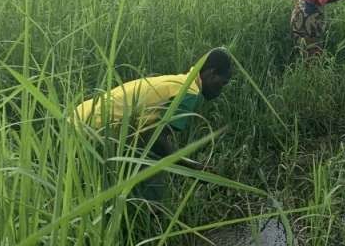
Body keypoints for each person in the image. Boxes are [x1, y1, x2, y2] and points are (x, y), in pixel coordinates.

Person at [72, 48, 232, 183]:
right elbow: (155, 140)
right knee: (151, 183)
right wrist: (193, 169)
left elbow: (146, 133)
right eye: (222, 83)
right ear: (211, 73)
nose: (221, 90)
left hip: (79, 116)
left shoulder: (179, 81)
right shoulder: (190, 92)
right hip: (93, 130)